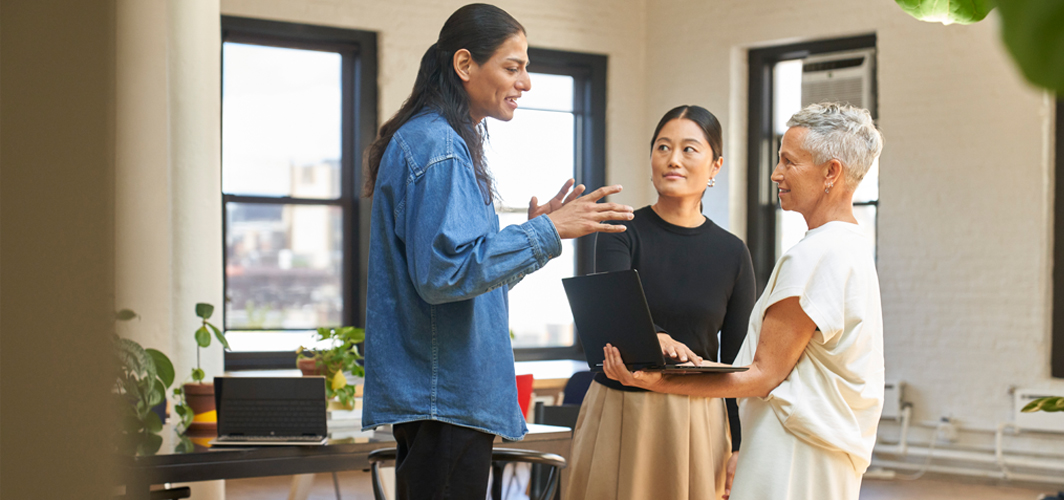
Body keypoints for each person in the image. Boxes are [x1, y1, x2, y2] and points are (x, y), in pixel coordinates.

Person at [360, 4, 634, 500]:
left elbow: (463, 277)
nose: (525, 82)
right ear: (465, 66)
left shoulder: (439, 141)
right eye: (513, 67)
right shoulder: (438, 146)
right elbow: (444, 275)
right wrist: (548, 231)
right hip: (444, 399)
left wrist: (536, 235)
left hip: (444, 399)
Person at [604, 102, 885, 500]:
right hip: (823, 449)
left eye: (789, 162)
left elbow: (760, 375)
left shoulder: (815, 255)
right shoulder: (852, 247)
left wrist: (657, 380)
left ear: (831, 172)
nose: (776, 174)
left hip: (791, 451)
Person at [566, 105, 756, 500]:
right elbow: (614, 315)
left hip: (698, 417)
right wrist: (659, 337)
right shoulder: (620, 231)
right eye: (663, 147)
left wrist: (739, 445)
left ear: (715, 165)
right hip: (623, 409)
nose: (673, 159)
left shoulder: (733, 253)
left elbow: (737, 360)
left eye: (689, 149)